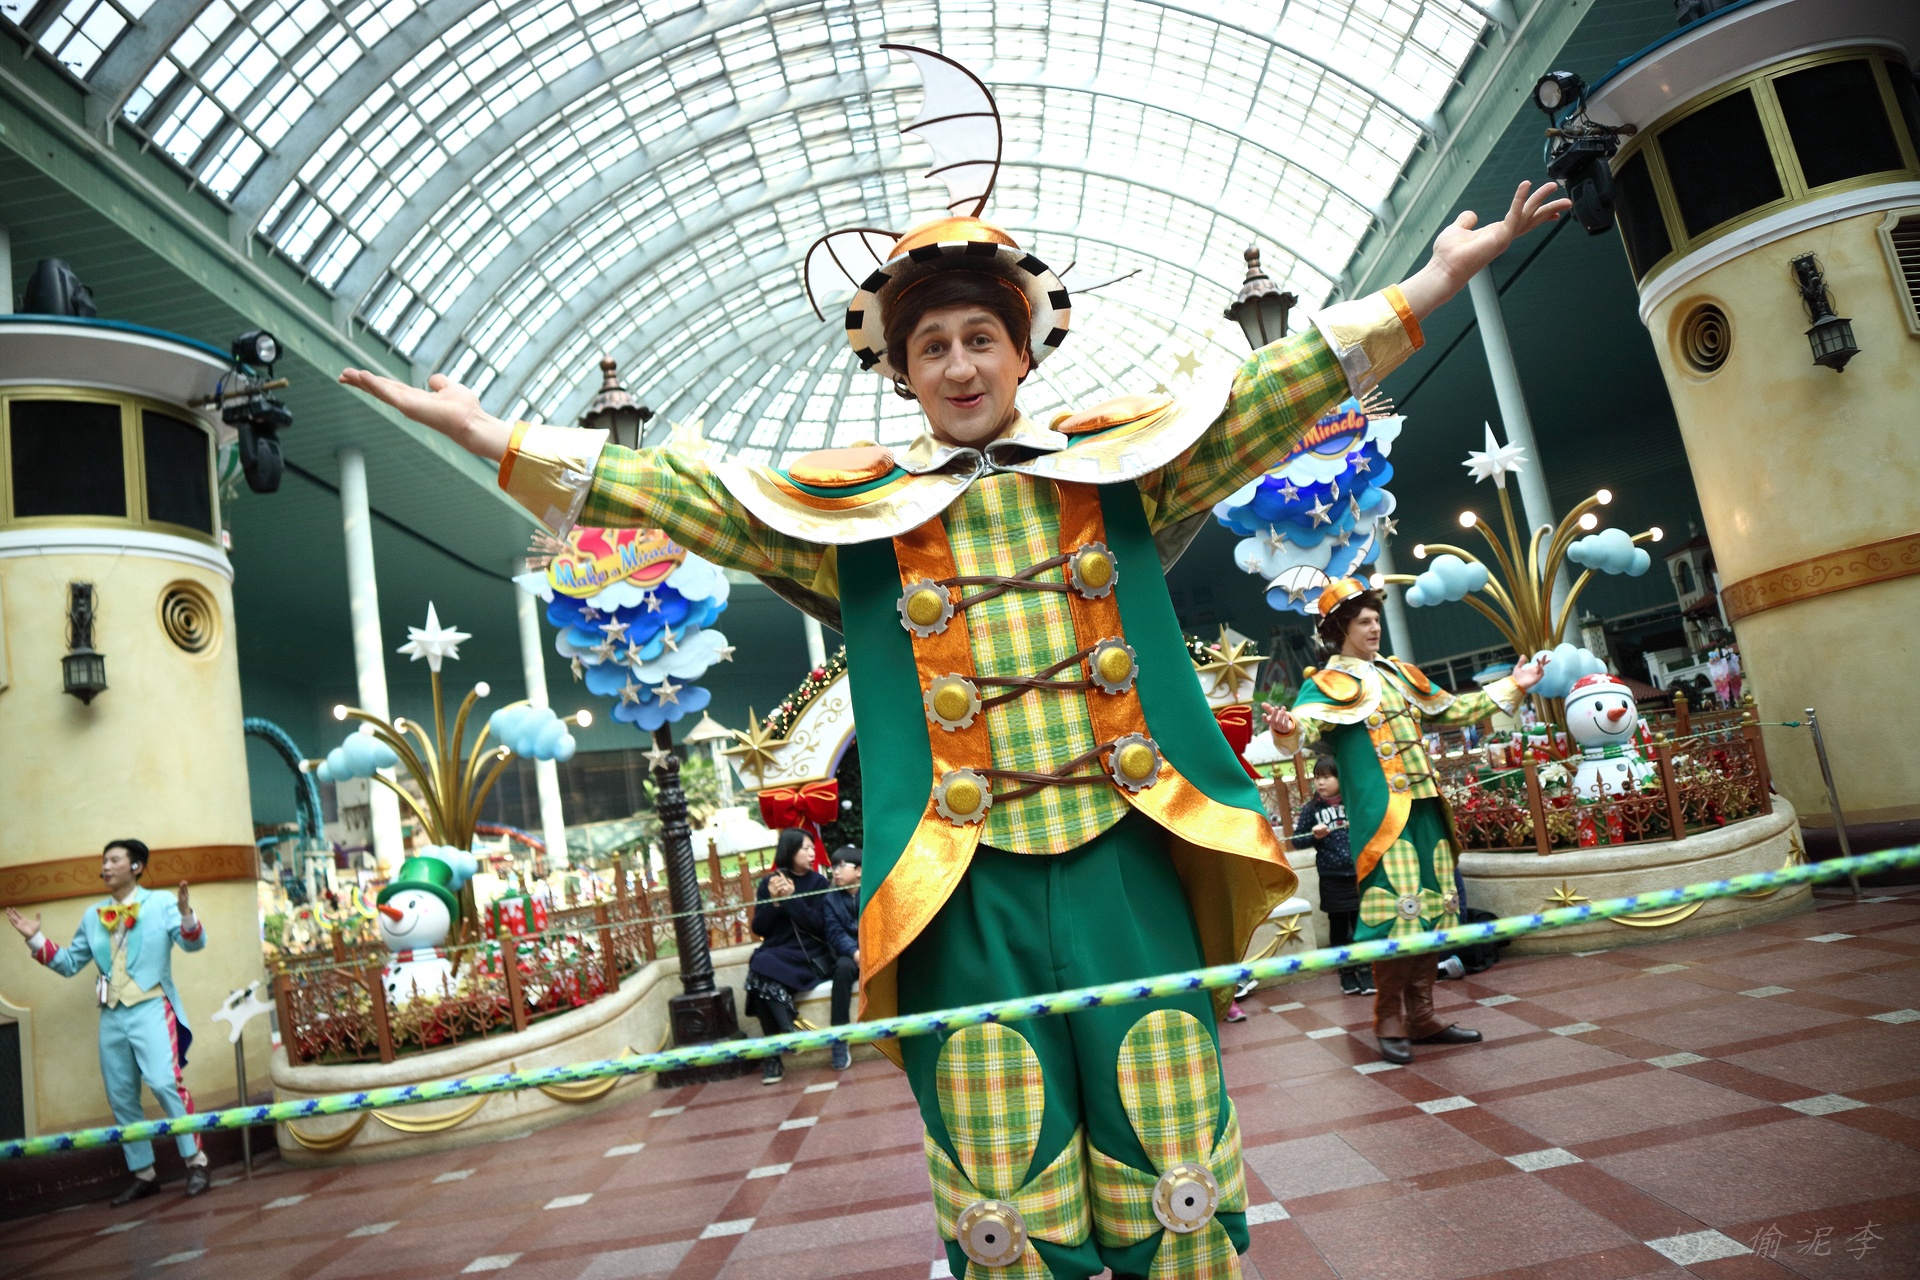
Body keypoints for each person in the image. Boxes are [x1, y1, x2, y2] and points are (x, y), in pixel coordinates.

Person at [339, 52, 1565, 1268]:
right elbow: (684, 494)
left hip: (1128, 855)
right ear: (901, 372)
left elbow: (1265, 394)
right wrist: (495, 436)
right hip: (960, 884)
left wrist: (1432, 283)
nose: (962, 366)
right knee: (1000, 1169)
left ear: (1025, 351)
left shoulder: (1117, 467)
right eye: (932, 348)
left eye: (983, 337)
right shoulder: (852, 517)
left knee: (1170, 1134)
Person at [1266, 580, 1545, 1065]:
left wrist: (1515, 684)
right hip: (1384, 818)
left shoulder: (1399, 673)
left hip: (1426, 807)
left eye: (1376, 620)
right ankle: (1388, 1019)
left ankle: (1422, 1015)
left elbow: (1454, 708)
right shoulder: (1328, 683)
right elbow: (1303, 726)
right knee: (1396, 914)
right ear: (1341, 629)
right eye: (1364, 622)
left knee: (1434, 909)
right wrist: (1286, 727)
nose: (1375, 628)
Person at [5, 839, 213, 1204]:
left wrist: (186, 915)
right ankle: (144, 1173)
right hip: (112, 1014)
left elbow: (193, 944)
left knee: (165, 1082)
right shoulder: (93, 915)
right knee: (120, 1095)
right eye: (104, 861)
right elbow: (69, 964)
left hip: (151, 1005)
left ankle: (196, 1162)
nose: (105, 866)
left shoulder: (161, 902)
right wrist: (35, 938)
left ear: (136, 867)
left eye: (114, 860)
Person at [744, 829, 834, 1085]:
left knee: (759, 977)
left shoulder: (818, 883)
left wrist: (792, 898)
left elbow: (818, 925)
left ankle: (774, 1057)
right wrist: (774, 902)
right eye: (806, 848)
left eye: (812, 848)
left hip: (808, 953)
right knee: (761, 966)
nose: (812, 853)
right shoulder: (769, 883)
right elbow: (759, 928)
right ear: (790, 851)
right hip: (778, 950)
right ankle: (786, 1030)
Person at [1292, 756, 1371, 997]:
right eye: (1317, 777)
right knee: (1338, 928)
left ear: (1340, 778)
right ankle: (1346, 973)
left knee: (1361, 925)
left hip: (1358, 875)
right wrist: (1314, 836)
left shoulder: (1353, 802)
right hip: (1331, 878)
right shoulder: (1312, 809)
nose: (1321, 782)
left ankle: (1366, 970)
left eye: (1327, 777)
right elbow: (1296, 841)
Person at [823, 844, 862, 1070]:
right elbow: (834, 933)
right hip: (848, 954)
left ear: (859, 871)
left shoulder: (873, 890)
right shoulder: (830, 899)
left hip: (875, 949)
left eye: (841, 866)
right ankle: (839, 1038)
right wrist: (855, 952)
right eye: (833, 867)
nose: (835, 872)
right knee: (842, 969)